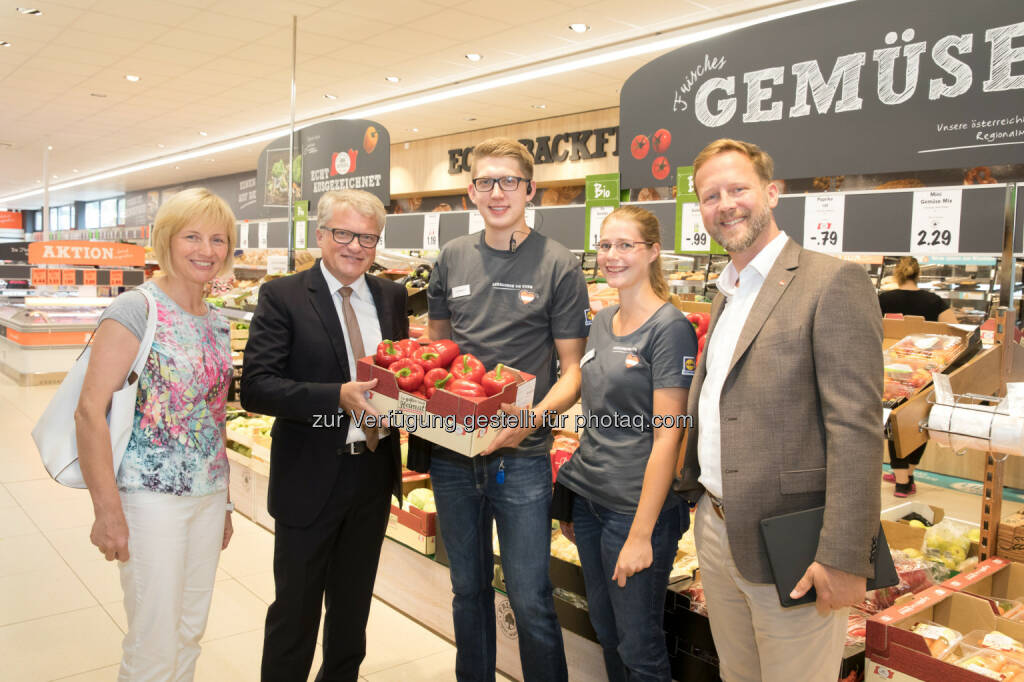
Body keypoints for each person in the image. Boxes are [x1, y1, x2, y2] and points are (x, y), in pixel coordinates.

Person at [675, 139, 883, 682]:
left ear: (772, 192)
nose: (725, 205)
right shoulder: (726, 291)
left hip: (795, 541)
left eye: (737, 189)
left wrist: (844, 555)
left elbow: (856, 430)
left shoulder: (832, 281)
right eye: (709, 196)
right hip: (719, 531)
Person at [425, 137, 589, 681]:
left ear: (529, 189)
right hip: (454, 455)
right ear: (471, 190)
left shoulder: (558, 264)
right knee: (466, 588)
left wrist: (532, 419)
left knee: (530, 595)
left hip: (522, 458)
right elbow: (439, 355)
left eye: (509, 182)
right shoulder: (451, 257)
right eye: (486, 182)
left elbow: (573, 372)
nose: (497, 193)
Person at [241, 189, 407, 682]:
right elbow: (257, 388)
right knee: (295, 613)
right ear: (321, 236)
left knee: (352, 614)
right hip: (309, 477)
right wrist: (334, 395)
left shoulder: (392, 297)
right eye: (344, 234)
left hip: (373, 474)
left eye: (367, 238)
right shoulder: (284, 295)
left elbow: (402, 377)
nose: (355, 247)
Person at [75, 187, 237, 681]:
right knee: (153, 637)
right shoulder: (135, 309)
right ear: (166, 240)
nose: (206, 250)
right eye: (192, 236)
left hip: (207, 497)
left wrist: (226, 503)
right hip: (150, 500)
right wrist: (107, 512)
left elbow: (214, 418)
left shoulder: (218, 322)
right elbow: (88, 413)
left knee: (189, 629)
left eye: (218, 239)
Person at [553, 206, 695, 682]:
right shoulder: (603, 319)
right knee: (607, 631)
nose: (612, 256)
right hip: (591, 501)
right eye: (605, 245)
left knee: (640, 648)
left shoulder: (670, 329)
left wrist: (640, 535)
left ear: (653, 251)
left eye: (625, 245)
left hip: (635, 512)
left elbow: (668, 435)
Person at [879, 256, 957, 496]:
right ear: (918, 274)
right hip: (925, 371)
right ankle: (908, 474)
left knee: (896, 420)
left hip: (892, 369)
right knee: (920, 421)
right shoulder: (933, 301)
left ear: (898, 275)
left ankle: (902, 480)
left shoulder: (883, 299)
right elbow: (955, 330)